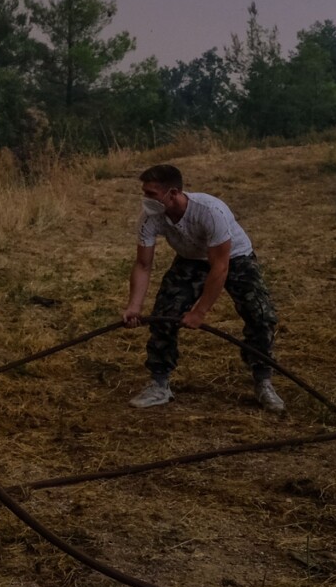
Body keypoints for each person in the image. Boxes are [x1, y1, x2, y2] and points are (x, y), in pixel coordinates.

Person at [121, 164, 283, 413]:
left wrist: (200, 312)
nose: (146, 199)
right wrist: (134, 306)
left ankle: (263, 382)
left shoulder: (210, 211)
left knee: (260, 314)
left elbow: (220, 267)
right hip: (189, 260)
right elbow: (143, 265)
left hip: (234, 258)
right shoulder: (151, 218)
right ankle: (159, 385)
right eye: (145, 193)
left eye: (151, 194)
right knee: (164, 314)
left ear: (172, 193)